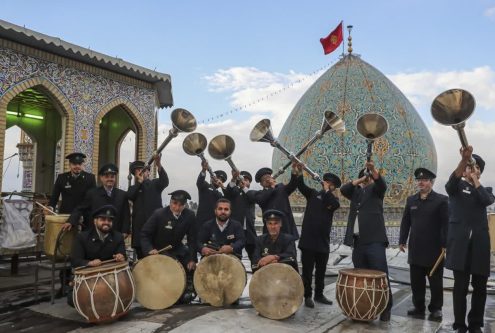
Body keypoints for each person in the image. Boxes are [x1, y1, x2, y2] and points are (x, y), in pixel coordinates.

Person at [444, 148, 494, 333]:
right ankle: (459, 325)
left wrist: (475, 180)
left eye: (476, 167)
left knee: (480, 287)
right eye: (470, 167)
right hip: (460, 246)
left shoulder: (486, 190)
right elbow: (450, 183)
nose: (473, 169)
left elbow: (486, 201)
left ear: (480, 171)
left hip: (479, 246)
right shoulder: (456, 188)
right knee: (460, 287)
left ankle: (475, 324)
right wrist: (463, 161)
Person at [340, 160, 392, 322]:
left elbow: (382, 185)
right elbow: (344, 189)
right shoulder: (355, 193)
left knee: (380, 275)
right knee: (362, 276)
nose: (366, 179)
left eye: (367, 177)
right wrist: (361, 179)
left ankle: (386, 308)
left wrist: (373, 172)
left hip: (374, 241)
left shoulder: (376, 191)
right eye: (364, 177)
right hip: (359, 242)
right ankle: (366, 306)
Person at [399, 168, 448, 320]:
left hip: (435, 250)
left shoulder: (441, 200)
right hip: (416, 248)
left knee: (435, 282)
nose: (421, 182)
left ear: (431, 183)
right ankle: (418, 306)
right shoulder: (411, 200)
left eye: (425, 180)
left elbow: (446, 224)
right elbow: (406, 221)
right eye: (419, 180)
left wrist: (445, 244)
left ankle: (436, 308)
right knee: (417, 282)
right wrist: (402, 240)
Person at [140, 190, 197, 303]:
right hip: (159, 249)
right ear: (170, 202)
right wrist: (150, 249)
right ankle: (167, 292)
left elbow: (192, 239)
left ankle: (187, 289)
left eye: (180, 205)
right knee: (173, 267)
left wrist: (192, 259)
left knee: (189, 265)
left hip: (177, 248)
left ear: (184, 205)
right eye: (174, 203)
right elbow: (144, 234)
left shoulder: (189, 215)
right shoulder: (159, 214)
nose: (176, 208)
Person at [297, 166, 341, 308]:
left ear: (333, 187)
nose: (327, 184)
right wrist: (299, 171)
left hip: (322, 242)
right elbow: (301, 186)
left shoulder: (333, 200)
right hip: (308, 241)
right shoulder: (313, 194)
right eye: (326, 182)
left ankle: (319, 294)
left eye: (330, 184)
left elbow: (333, 205)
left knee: (321, 271)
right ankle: (308, 295)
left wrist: (328, 191)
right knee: (307, 271)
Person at [68, 205, 126, 307]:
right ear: (95, 221)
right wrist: (89, 263)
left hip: (111, 279)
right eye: (103, 219)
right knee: (73, 300)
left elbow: (122, 254)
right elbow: (75, 260)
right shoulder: (82, 237)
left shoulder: (118, 237)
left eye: (109, 220)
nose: (106, 222)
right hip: (88, 278)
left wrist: (120, 256)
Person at [67, 164, 130, 237]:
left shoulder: (122, 194)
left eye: (112, 177)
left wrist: (125, 231)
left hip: (115, 235)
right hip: (95, 235)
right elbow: (80, 208)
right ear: (101, 178)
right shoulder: (92, 193)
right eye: (106, 177)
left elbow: (126, 215)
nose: (110, 179)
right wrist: (71, 221)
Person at [127, 155, 169, 259]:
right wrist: (140, 183)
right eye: (138, 171)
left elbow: (165, 181)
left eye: (143, 170)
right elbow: (130, 196)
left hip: (155, 231)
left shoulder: (155, 184)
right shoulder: (133, 188)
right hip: (139, 233)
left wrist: (158, 164)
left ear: (148, 172)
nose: (141, 172)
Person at [253, 164, 299, 240]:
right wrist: (272, 187)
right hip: (270, 231)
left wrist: (294, 171)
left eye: (268, 177)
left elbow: (292, 185)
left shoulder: (281, 188)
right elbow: (262, 200)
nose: (267, 180)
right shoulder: (260, 194)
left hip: (286, 228)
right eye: (264, 179)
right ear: (261, 184)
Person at [222, 170, 257, 265]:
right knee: (234, 257)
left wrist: (244, 188)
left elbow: (253, 198)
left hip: (249, 231)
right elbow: (228, 191)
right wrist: (233, 178)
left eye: (246, 180)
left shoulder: (252, 192)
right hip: (236, 231)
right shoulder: (235, 192)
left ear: (249, 182)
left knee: (254, 256)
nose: (244, 181)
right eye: (242, 179)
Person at [196, 161, 227, 225]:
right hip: (201, 222)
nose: (219, 180)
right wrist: (204, 169)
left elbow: (228, 199)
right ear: (212, 177)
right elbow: (199, 182)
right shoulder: (205, 185)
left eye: (221, 180)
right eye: (218, 177)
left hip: (214, 225)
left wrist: (222, 186)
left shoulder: (220, 194)